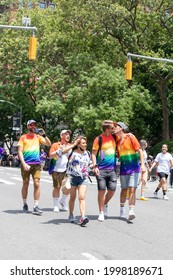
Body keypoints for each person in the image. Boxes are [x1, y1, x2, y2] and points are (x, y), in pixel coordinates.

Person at [17, 119, 51, 215]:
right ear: (28, 126)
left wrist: (44, 135)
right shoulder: (23, 137)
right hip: (26, 163)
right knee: (26, 183)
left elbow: (49, 144)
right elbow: (20, 151)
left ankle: (36, 205)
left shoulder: (38, 137)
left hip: (36, 164)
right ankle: (25, 203)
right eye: (31, 125)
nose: (33, 126)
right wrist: (23, 163)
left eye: (34, 125)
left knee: (37, 183)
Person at [113, 121, 145, 221]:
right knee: (124, 189)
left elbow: (139, 150)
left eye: (116, 126)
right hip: (123, 168)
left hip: (134, 167)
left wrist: (143, 164)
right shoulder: (117, 142)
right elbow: (118, 155)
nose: (114, 128)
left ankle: (131, 210)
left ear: (121, 128)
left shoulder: (130, 137)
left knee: (132, 189)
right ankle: (122, 209)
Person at [92, 120, 117, 222]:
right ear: (107, 129)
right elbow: (93, 153)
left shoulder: (115, 137)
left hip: (112, 169)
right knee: (101, 190)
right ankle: (101, 212)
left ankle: (105, 203)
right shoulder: (99, 139)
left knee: (112, 190)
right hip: (101, 169)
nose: (114, 129)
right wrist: (95, 166)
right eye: (112, 128)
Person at [49, 130, 80, 212]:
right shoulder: (56, 145)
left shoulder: (71, 146)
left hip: (67, 170)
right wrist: (58, 151)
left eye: (69, 134)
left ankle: (62, 200)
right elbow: (51, 156)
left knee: (69, 187)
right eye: (65, 134)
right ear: (61, 136)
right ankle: (55, 205)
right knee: (57, 187)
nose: (68, 136)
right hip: (56, 169)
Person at [67, 135, 92, 226]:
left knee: (81, 197)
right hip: (73, 177)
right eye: (83, 143)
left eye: (86, 143)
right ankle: (71, 214)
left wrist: (93, 166)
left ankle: (83, 217)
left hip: (83, 178)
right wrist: (73, 144)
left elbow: (90, 164)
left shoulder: (87, 153)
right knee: (72, 198)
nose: (85, 145)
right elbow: (63, 152)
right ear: (78, 144)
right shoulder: (72, 152)